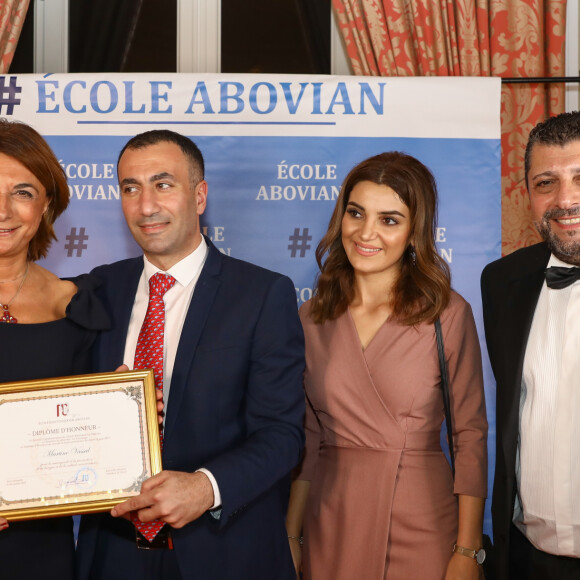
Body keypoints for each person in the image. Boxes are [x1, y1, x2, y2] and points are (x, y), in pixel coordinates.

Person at [75, 129, 305, 579]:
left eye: (163, 184)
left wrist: (205, 487)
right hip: (113, 553)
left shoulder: (262, 294)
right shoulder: (97, 289)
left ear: (199, 196)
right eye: (130, 188)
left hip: (223, 552)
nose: (145, 206)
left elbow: (282, 436)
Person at [286, 152, 488, 580]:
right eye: (356, 214)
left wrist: (468, 551)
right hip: (330, 517)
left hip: (421, 516)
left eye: (389, 220)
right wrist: (291, 534)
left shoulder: (447, 314)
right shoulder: (309, 318)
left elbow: (469, 435)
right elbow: (308, 437)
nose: (366, 233)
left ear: (415, 232)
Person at [0, 119, 110, 578]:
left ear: (46, 207)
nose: (3, 209)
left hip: (38, 546)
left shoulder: (75, 307)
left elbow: (91, 438)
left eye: (22, 192)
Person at [481, 111, 580, 580]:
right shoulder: (502, 282)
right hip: (526, 558)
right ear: (527, 195)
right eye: (546, 182)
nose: (565, 199)